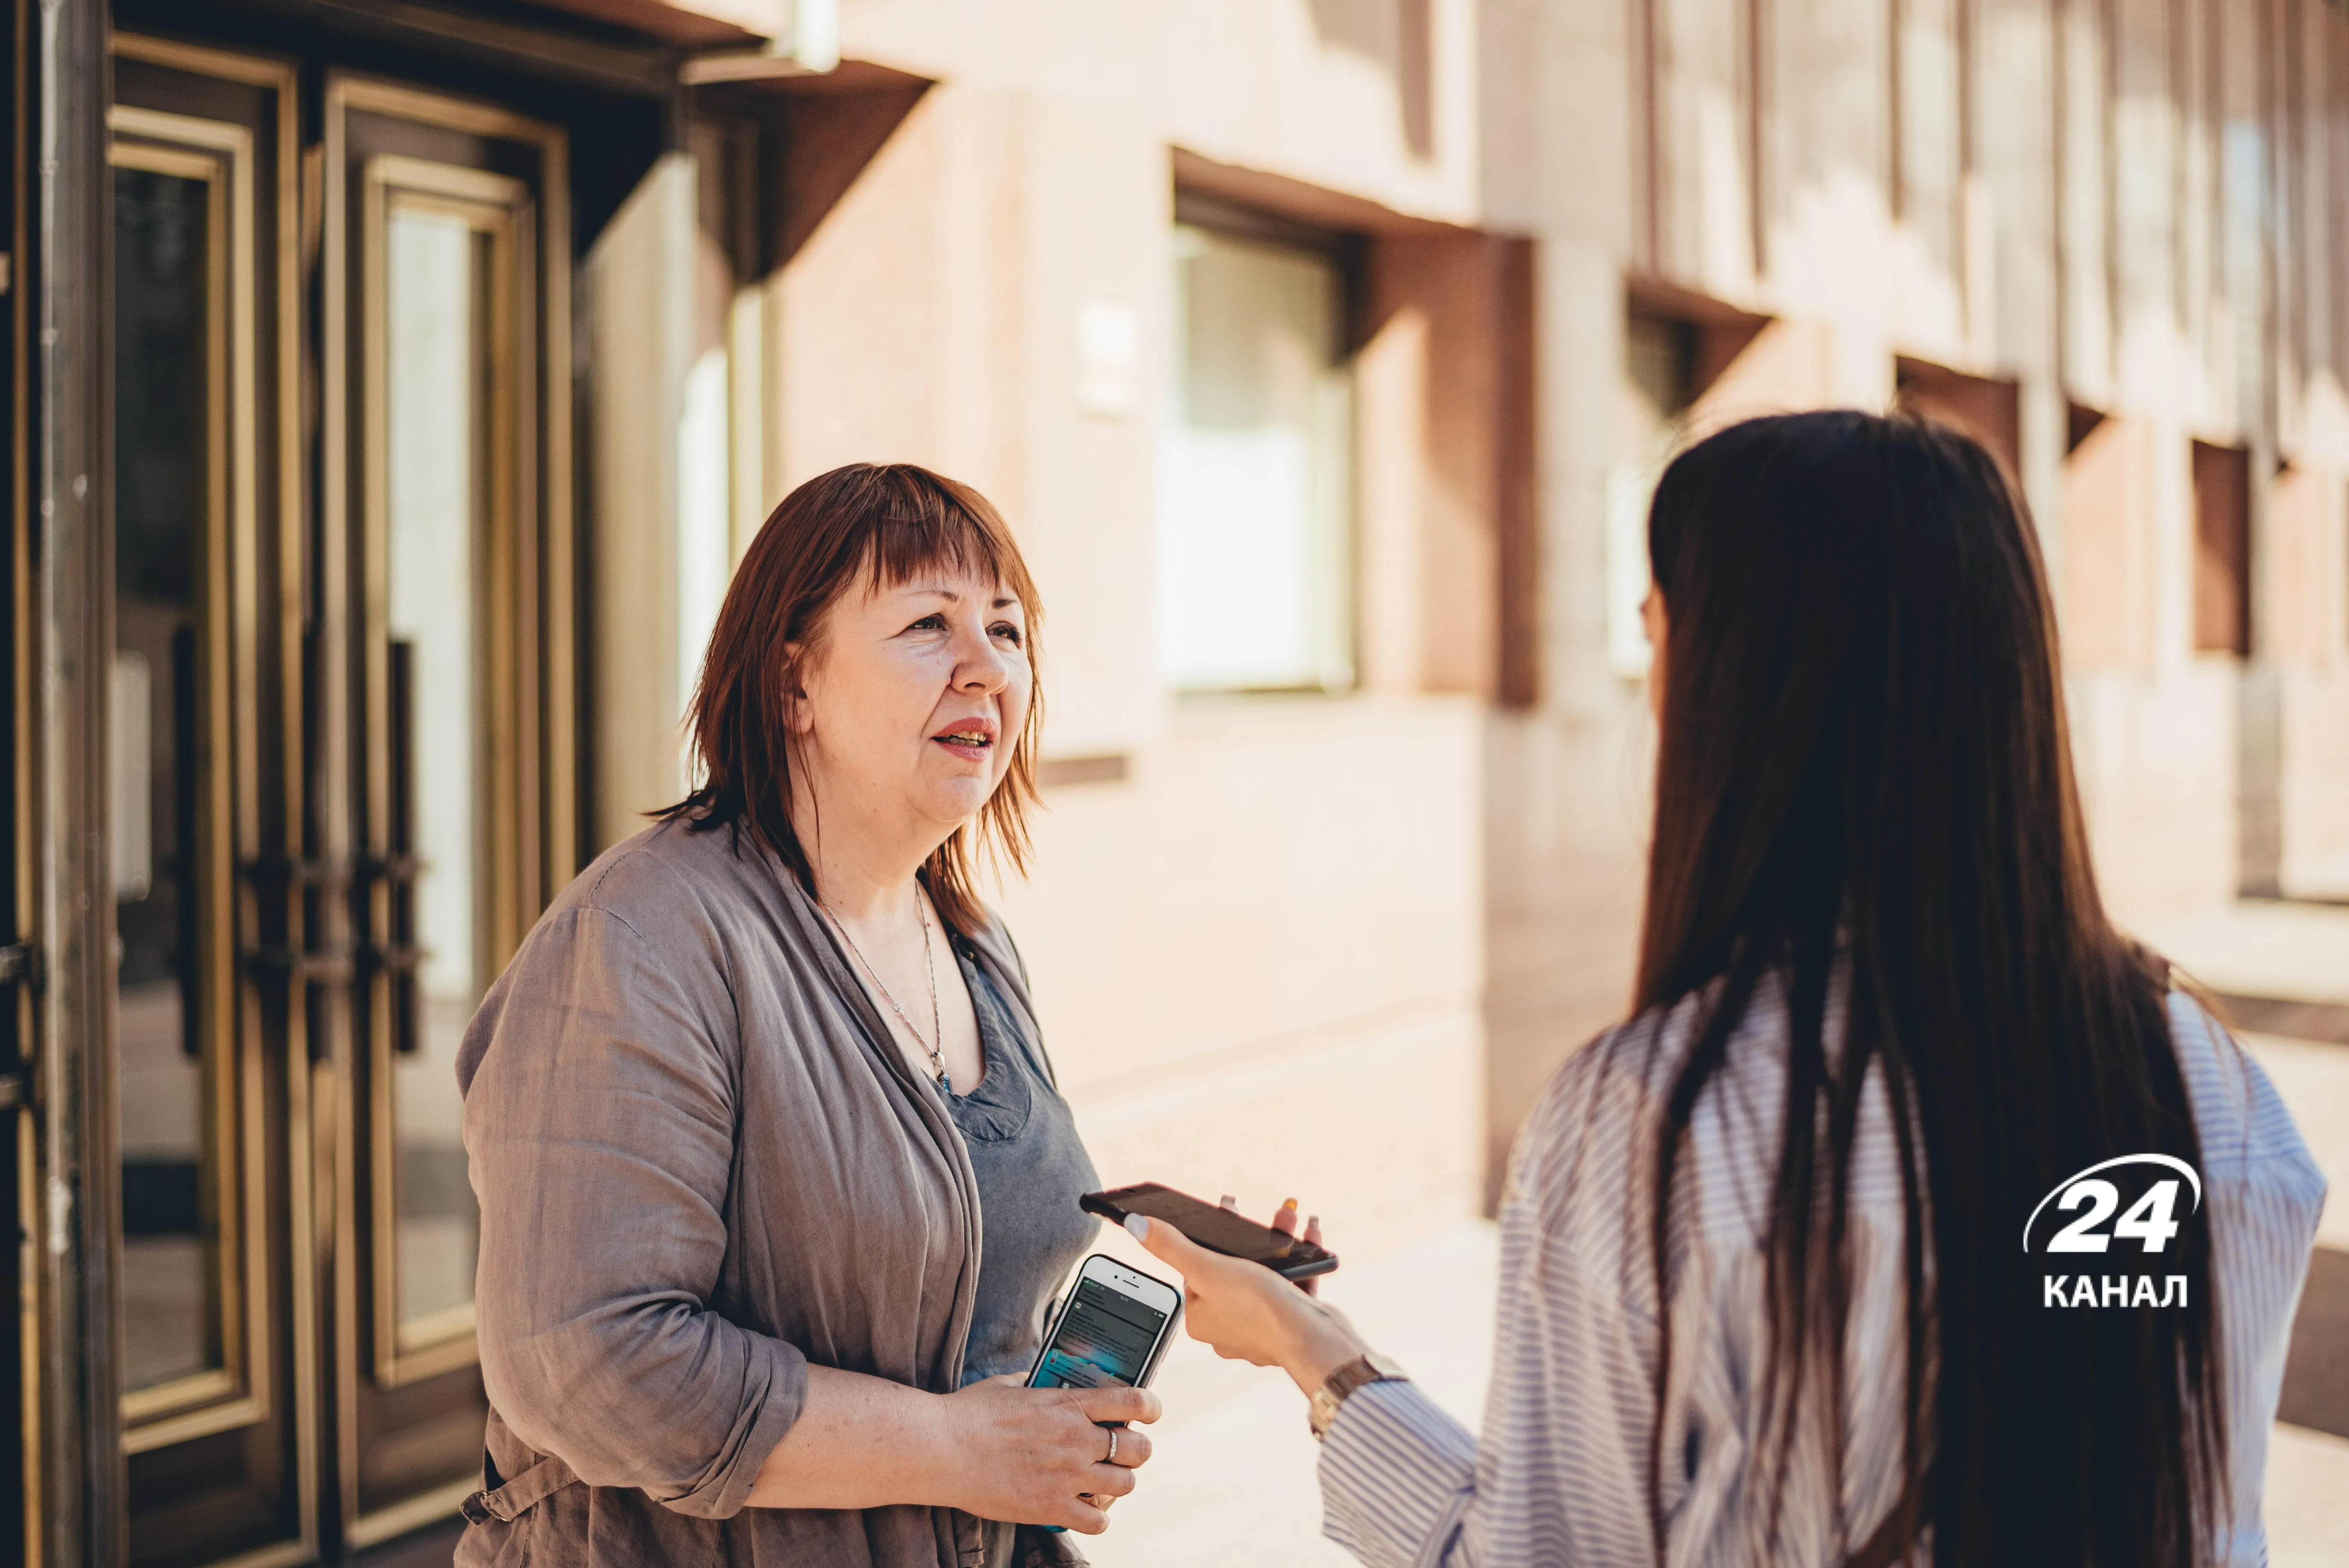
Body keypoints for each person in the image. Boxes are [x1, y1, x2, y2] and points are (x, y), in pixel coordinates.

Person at [1136, 411, 2325, 1567]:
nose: (1647, 697)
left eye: (1658, 636)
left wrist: (1322, 1362)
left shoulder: (1659, 1118)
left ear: (1742, 682)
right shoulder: (2212, 1085)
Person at [454, 463, 1154, 1568]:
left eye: (1008, 630)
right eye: (929, 623)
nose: (986, 669)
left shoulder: (973, 945)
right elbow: (591, 1362)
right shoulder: (644, 938)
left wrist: (1047, 1427)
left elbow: (957, 1296)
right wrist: (955, 1450)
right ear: (794, 688)